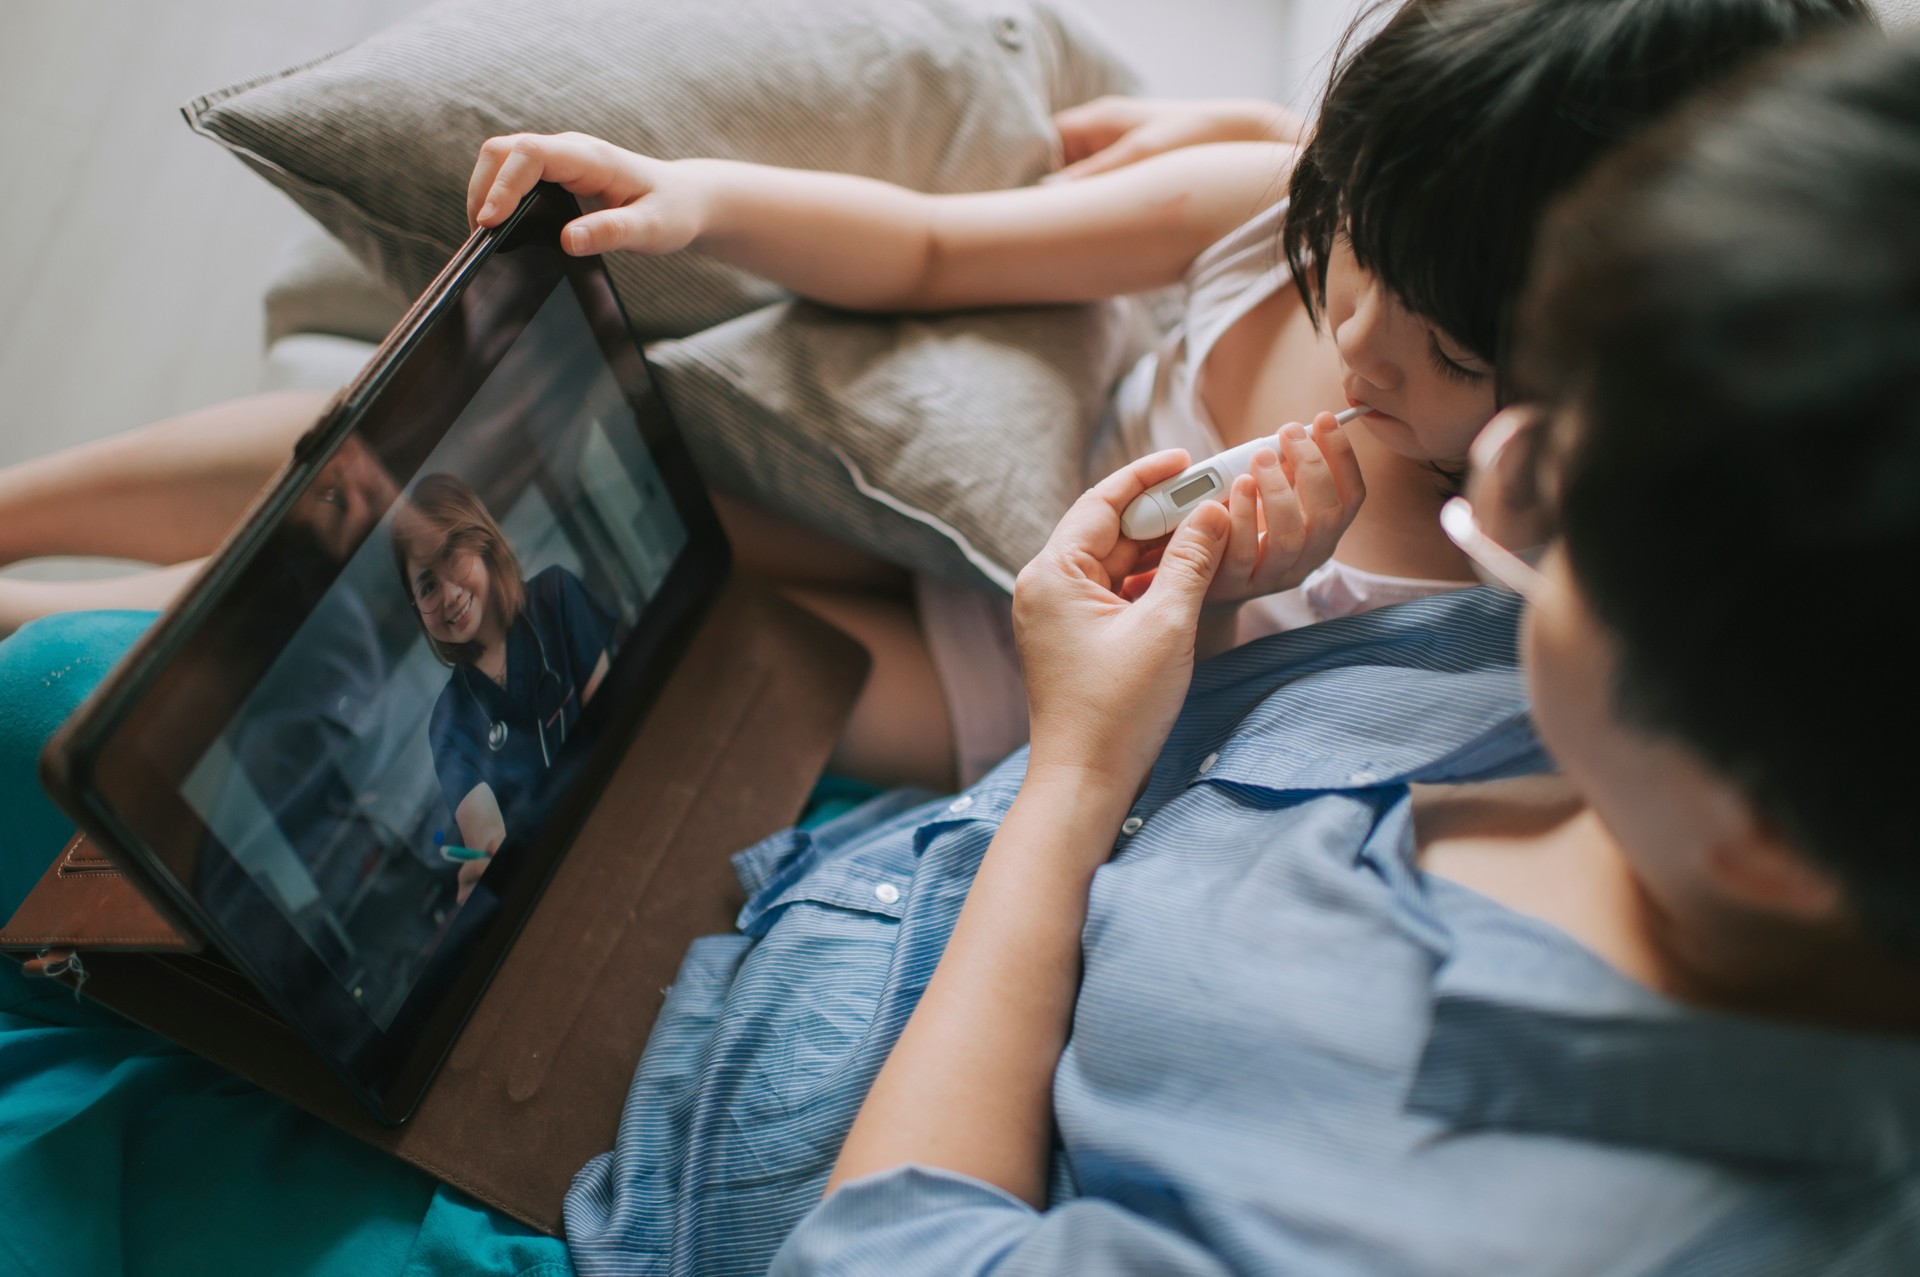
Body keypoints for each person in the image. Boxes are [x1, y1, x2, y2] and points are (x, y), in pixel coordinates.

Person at [560, 25, 1920, 1277]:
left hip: (717, 1113)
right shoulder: (1707, 683)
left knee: (659, 646)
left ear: (1772, 835)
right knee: (634, 542)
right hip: (909, 836)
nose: (1508, 489)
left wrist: (1077, 770)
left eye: (1565, 500)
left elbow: (882, 1247)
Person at [468, 0, 1869, 786]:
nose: (1363, 341)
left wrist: (1221, 605)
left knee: (661, 677)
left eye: (1452, 355)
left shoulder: (1498, 594)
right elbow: (937, 245)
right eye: (1360, 247)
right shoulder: (1270, 212)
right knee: (595, 519)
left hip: (1026, 693)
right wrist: (698, 199)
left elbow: (1180, 775)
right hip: (974, 510)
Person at [389, 472, 617, 902]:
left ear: (483, 543)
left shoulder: (556, 596)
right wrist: (486, 862)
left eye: (452, 558)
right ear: (418, 608)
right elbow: (485, 831)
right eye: (428, 586)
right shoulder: (449, 722)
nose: (449, 594)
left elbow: (616, 723)